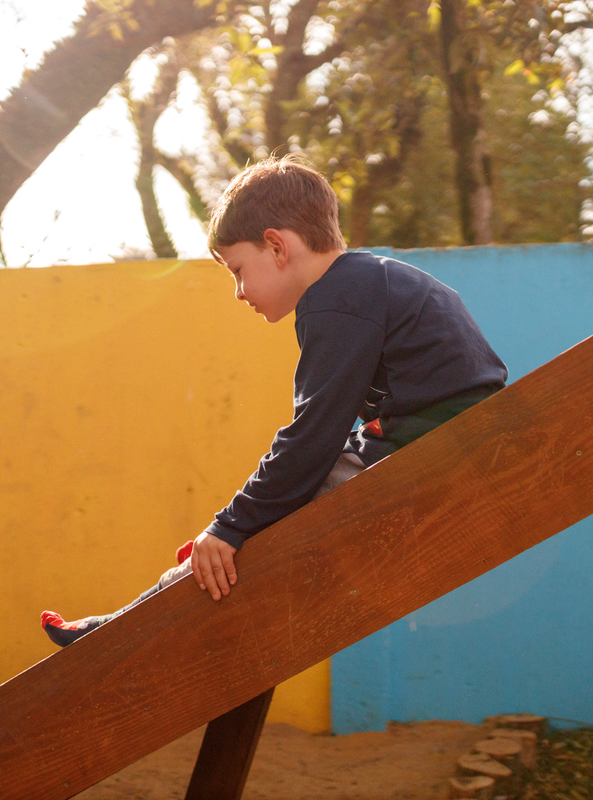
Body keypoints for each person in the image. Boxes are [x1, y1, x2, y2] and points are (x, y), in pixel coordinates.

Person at [40, 154, 507, 647]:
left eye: (238, 271)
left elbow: (310, 437)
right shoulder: (372, 281)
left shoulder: (336, 298)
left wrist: (231, 525)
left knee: (248, 535)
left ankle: (121, 630)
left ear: (277, 247)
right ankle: (158, 595)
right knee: (258, 520)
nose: (240, 293)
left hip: (434, 452)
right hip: (440, 439)